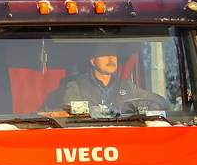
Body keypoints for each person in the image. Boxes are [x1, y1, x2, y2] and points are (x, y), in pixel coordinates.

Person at [42, 46, 170, 115]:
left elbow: (159, 102)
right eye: (105, 54)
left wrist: (146, 117)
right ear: (92, 61)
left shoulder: (127, 87)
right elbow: (71, 114)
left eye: (113, 54)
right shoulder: (75, 86)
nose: (111, 58)